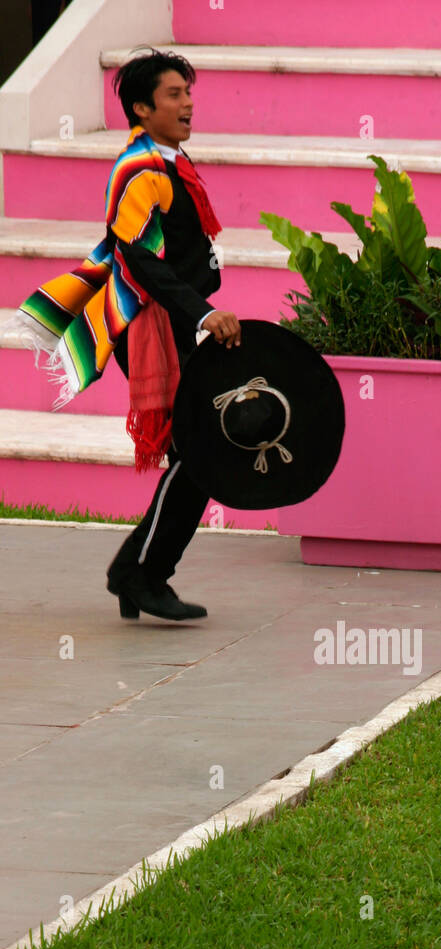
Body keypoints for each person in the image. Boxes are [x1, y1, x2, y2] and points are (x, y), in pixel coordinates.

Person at [104, 48, 242, 620]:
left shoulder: (169, 163)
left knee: (197, 451)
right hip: (149, 326)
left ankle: (134, 571)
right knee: (200, 450)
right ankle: (143, 574)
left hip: (175, 323)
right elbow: (137, 259)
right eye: (173, 95)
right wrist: (204, 315)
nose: (187, 104)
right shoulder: (139, 172)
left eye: (188, 92)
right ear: (142, 107)